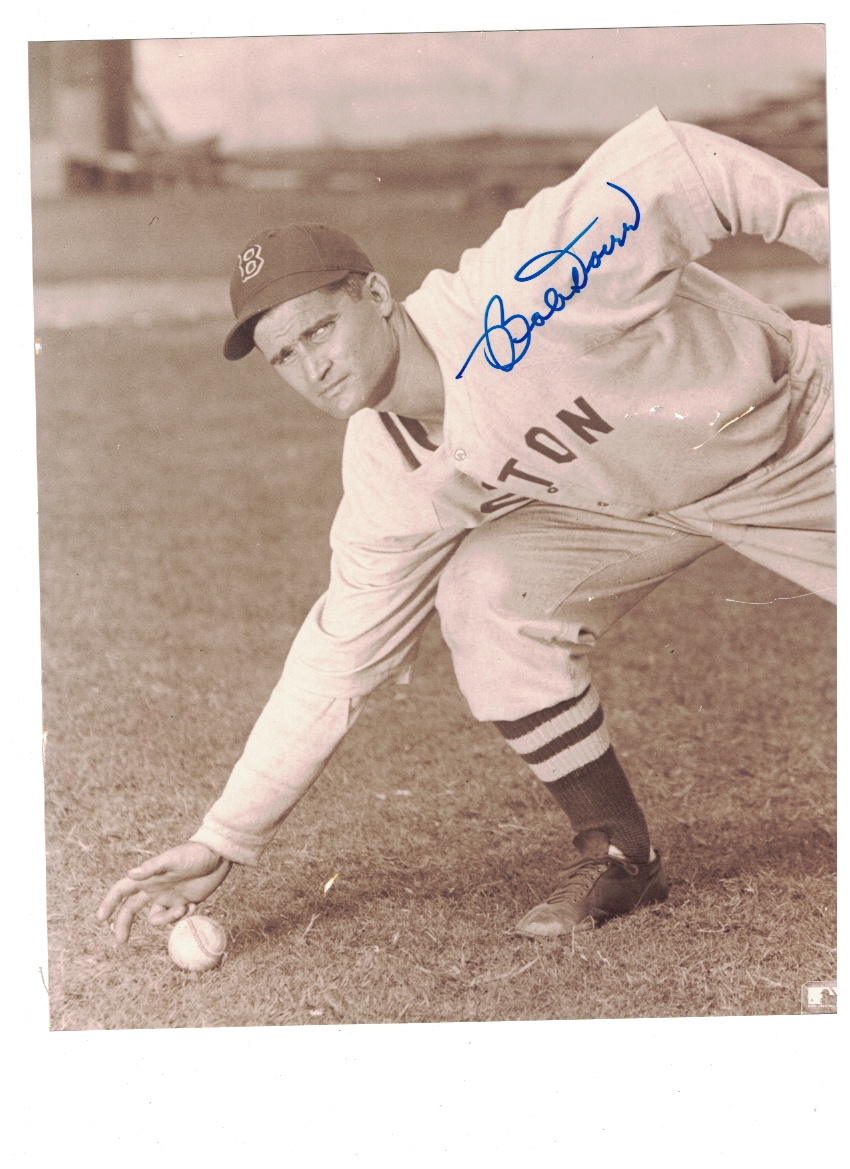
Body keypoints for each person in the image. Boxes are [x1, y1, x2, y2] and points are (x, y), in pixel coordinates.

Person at [97, 107, 833, 945]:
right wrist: (225, 834)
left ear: (375, 295)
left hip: (798, 432)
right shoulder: (383, 464)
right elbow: (342, 655)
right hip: (637, 504)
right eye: (285, 357)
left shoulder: (521, 289)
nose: (313, 366)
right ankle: (620, 854)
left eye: (320, 329)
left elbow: (681, 165)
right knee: (485, 593)